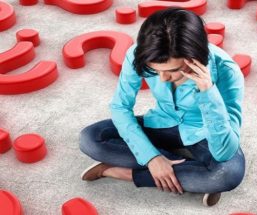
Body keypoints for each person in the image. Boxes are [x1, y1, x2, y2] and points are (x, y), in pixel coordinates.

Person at [79, 7, 245, 207]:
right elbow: (120, 107)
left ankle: (122, 172)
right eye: (156, 71)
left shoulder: (227, 70)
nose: (163, 78)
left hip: (203, 131)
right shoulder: (140, 55)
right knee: (89, 139)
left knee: (228, 174)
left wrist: (208, 92)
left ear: (195, 56)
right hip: (162, 121)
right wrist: (152, 158)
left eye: (173, 70)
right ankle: (192, 176)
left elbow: (223, 153)